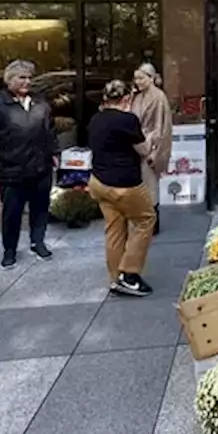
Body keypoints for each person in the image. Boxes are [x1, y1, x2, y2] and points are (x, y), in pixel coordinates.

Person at [0, 60, 56, 270]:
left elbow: (50, 130)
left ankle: (38, 242)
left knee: (40, 208)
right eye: (22, 77)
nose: (27, 81)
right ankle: (10, 250)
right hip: (11, 169)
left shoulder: (40, 103)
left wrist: (55, 153)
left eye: (29, 77)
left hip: (40, 166)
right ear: (9, 80)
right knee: (12, 212)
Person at [88, 80, 156, 296]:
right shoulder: (128, 120)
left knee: (114, 229)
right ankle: (130, 274)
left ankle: (115, 278)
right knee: (146, 219)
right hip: (125, 184)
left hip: (99, 182)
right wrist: (151, 139)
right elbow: (143, 150)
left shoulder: (96, 119)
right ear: (127, 99)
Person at [130, 62, 172, 235]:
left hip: (150, 145)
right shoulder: (137, 96)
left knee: (150, 185)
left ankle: (153, 223)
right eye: (136, 78)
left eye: (141, 78)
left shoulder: (159, 97)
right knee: (141, 185)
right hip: (136, 144)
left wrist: (156, 150)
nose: (138, 82)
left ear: (151, 78)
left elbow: (162, 127)